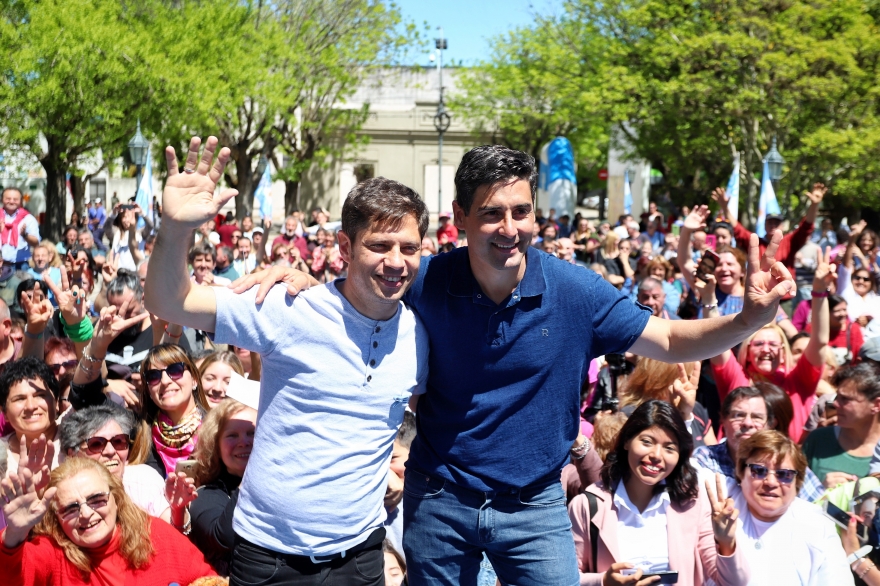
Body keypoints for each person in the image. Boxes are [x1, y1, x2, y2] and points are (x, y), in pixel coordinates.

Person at [238, 144, 799, 585]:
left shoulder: (575, 290)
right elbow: (361, 291)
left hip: (535, 505)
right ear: (459, 217)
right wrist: (310, 287)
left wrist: (748, 318)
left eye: (522, 212)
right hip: (440, 500)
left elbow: (673, 339)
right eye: (492, 214)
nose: (510, 228)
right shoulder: (426, 279)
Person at [145, 136, 430, 586]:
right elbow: (168, 299)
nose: (396, 261)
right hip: (269, 559)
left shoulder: (421, 336)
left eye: (409, 248)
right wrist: (176, 227)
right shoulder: (288, 306)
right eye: (379, 245)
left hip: (361, 559)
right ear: (345, 245)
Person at [567, 400, 749, 586]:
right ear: (627, 441)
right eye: (647, 442)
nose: (656, 455)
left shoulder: (692, 503)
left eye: (669, 448)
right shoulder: (588, 506)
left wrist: (726, 543)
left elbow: (734, 583)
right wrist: (603, 581)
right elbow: (565, 578)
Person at [0, 457, 215, 585]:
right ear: (56, 517)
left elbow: (208, 581)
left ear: (116, 498)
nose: (85, 513)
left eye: (96, 499)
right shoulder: (52, 553)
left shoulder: (154, 533)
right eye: (70, 508)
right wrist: (15, 533)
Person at [703, 249, 833, 439]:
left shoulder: (798, 382)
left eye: (773, 344)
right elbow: (714, 341)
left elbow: (820, 342)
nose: (766, 349)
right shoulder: (737, 382)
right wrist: (708, 299)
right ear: (746, 351)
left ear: (783, 352)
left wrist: (819, 291)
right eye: (759, 344)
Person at [729, 430, 853, 585]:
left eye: (784, 474)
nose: (771, 482)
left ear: (797, 482)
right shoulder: (720, 511)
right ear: (741, 472)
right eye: (759, 471)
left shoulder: (818, 526)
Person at [58, 403, 196, 531]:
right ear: (72, 455)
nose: (111, 451)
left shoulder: (143, 478)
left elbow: (172, 533)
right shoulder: (64, 494)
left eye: (118, 441)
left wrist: (178, 510)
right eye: (96, 444)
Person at [692, 386, 824, 502]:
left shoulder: (787, 462)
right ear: (723, 419)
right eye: (738, 415)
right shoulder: (705, 458)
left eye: (757, 417)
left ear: (770, 424)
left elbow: (819, 506)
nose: (748, 423)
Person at [189, 398, 257, 574]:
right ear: (216, 446)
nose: (244, 442)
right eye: (232, 435)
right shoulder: (206, 495)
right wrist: (253, 473)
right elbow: (225, 537)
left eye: (252, 433)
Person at [802, 363, 880, 488]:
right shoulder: (818, 440)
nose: (835, 404)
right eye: (837, 396)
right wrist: (820, 490)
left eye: (846, 399)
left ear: (876, 405)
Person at [620, 358, 715, 446]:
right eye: (684, 378)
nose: (689, 387)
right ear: (662, 379)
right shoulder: (629, 415)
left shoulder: (695, 410)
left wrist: (684, 415)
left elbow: (715, 458)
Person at [0, 357, 64, 477]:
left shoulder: (79, 439)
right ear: (4, 413)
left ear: (56, 402)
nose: (31, 406)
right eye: (20, 399)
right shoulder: (1, 454)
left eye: (40, 395)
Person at [0, 187, 40, 274]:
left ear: (21, 201)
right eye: (8, 199)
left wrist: (25, 235)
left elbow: (36, 243)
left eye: (15, 199)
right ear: (2, 199)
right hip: (1, 264)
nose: (11, 201)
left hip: (21, 265)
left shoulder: (28, 219)